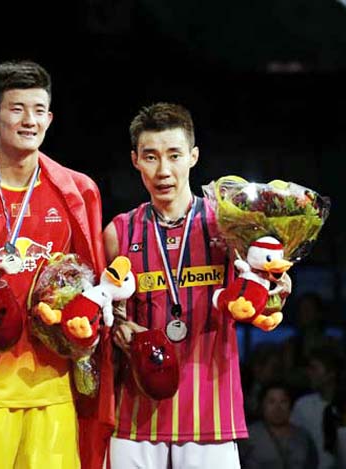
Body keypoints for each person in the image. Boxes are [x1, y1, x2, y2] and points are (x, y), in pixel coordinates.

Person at [0, 60, 106, 468]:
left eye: (38, 110)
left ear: (49, 117)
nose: (29, 121)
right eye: (16, 109)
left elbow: (94, 283)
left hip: (53, 386)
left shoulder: (77, 194)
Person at [104, 102, 245, 468]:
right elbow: (104, 310)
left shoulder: (227, 227)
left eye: (174, 155)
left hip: (211, 416)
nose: (163, 171)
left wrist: (277, 285)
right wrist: (117, 326)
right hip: (134, 418)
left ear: (193, 156)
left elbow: (264, 294)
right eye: (151, 157)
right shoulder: (118, 232)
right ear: (135, 159)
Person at [239, 381, 318, 469]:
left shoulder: (303, 436)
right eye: (271, 402)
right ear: (262, 405)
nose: (278, 408)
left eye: (283, 402)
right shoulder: (249, 436)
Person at [290, 343, 343, 469]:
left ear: (331, 373)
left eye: (314, 368)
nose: (309, 373)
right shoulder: (303, 405)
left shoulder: (345, 406)